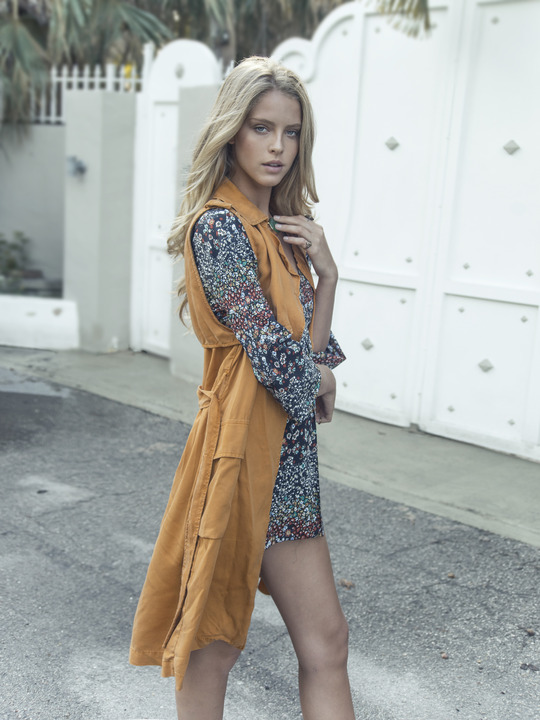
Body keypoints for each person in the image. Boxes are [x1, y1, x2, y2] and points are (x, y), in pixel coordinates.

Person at [130, 56, 355, 720]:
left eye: (291, 132)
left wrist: (328, 276)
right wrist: (318, 377)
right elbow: (283, 365)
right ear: (232, 132)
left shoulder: (287, 232)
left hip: (290, 467)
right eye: (262, 128)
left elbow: (310, 359)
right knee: (213, 646)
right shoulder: (219, 226)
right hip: (237, 456)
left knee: (327, 644)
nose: (278, 147)